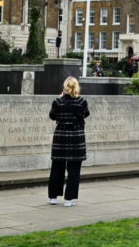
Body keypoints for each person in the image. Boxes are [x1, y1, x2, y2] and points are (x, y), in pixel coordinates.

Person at [48, 77, 90, 207]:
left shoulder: (57, 101)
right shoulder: (82, 101)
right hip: (76, 136)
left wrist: (60, 99)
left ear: (64, 87)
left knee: (57, 167)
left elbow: (52, 116)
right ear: (76, 87)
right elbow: (86, 114)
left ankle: (53, 197)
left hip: (60, 136)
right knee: (74, 169)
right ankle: (69, 199)